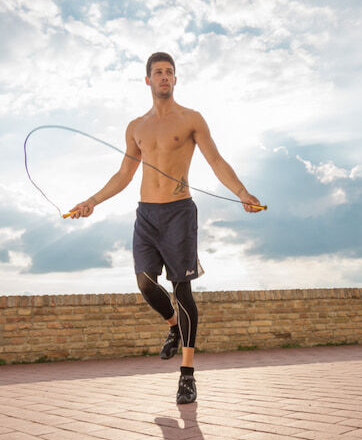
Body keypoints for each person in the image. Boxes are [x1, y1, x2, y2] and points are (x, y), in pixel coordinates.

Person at [69, 52, 261, 404]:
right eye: (157, 72)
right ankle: (172, 325)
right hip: (146, 215)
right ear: (147, 80)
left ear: (175, 79)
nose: (164, 77)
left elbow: (216, 160)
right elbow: (124, 174)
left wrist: (242, 192)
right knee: (144, 283)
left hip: (179, 213)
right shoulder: (136, 127)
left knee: (182, 289)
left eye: (169, 73)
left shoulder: (191, 119)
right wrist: (92, 201)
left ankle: (187, 375)